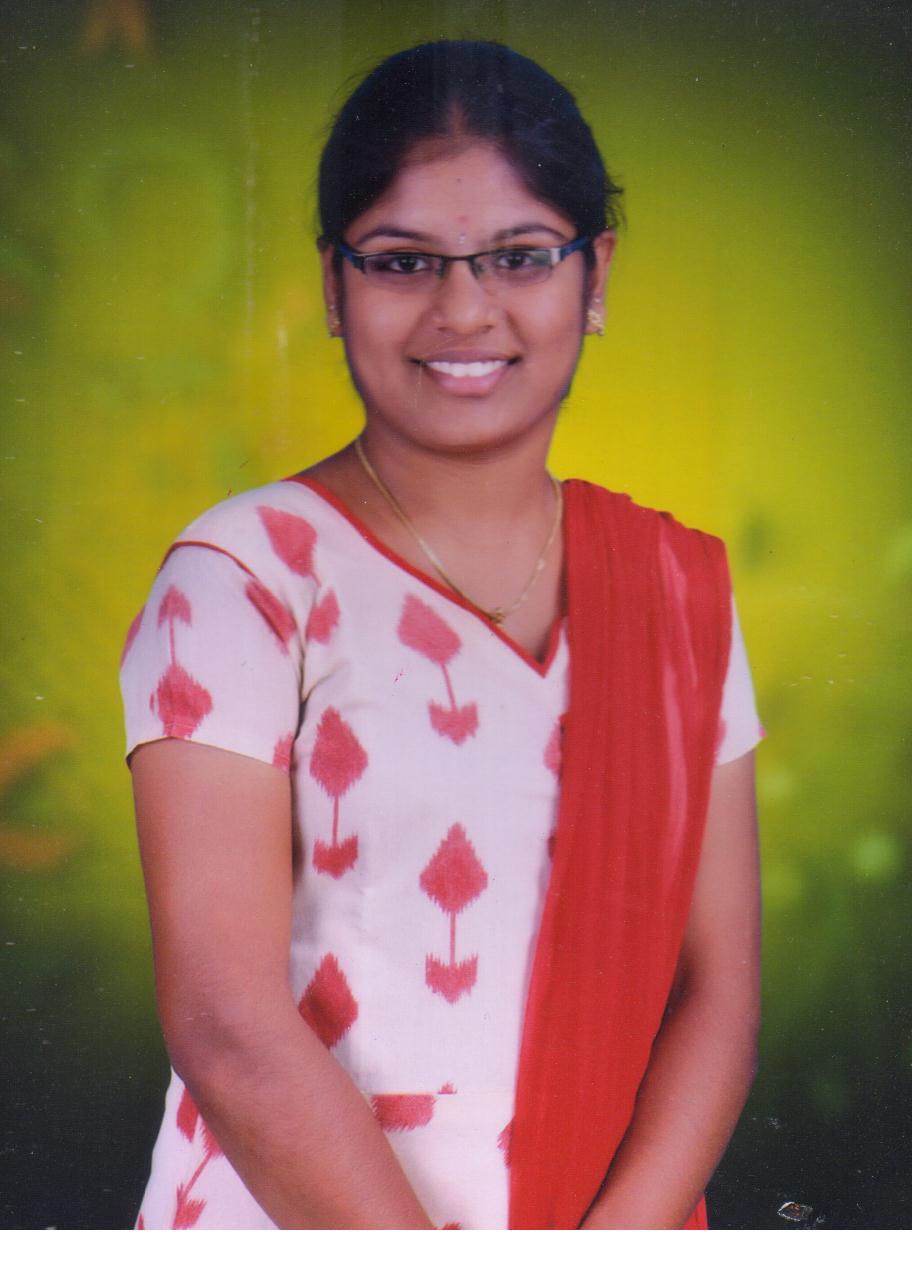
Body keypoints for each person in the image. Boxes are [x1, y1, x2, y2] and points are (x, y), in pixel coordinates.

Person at [120, 39, 762, 1230]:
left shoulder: (676, 596)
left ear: (595, 274)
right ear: (334, 284)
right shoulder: (243, 578)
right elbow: (224, 1020)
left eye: (520, 256)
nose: (464, 310)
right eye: (403, 261)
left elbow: (716, 991)